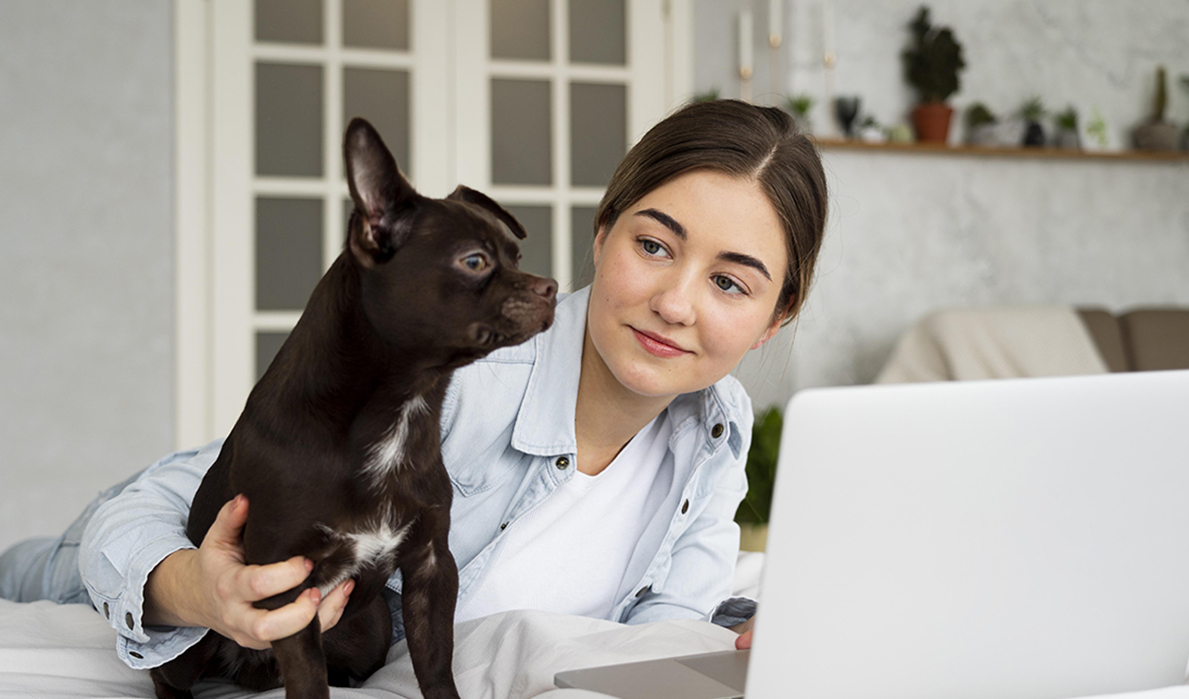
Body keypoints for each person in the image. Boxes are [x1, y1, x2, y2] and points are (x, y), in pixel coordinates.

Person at [0, 99, 826, 668]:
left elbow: (661, 627)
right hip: (105, 575)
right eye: (654, 244)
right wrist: (196, 590)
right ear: (604, 231)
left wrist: (749, 637)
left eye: (731, 283)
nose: (674, 302)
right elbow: (152, 508)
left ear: (776, 315)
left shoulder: (719, 429)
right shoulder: (456, 372)